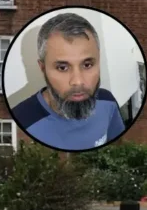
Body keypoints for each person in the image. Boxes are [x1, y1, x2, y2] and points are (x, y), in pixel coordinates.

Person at [11, 12, 125, 151]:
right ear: (43, 68)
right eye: (62, 68)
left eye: (87, 65)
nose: (78, 81)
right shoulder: (21, 120)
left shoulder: (108, 102)